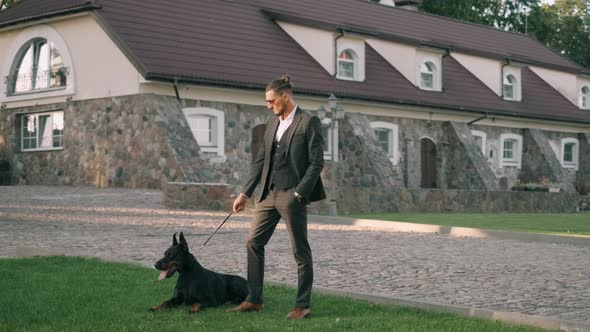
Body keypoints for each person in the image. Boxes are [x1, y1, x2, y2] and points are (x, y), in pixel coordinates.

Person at [228, 75, 326, 320]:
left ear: (285, 96)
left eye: (271, 101)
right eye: (267, 101)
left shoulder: (308, 122)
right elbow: (261, 161)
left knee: (300, 251)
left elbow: (316, 163)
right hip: (267, 195)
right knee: (253, 242)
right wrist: (245, 193)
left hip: (292, 195)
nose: (268, 105)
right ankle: (254, 299)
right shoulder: (272, 123)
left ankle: (302, 305)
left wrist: (299, 193)